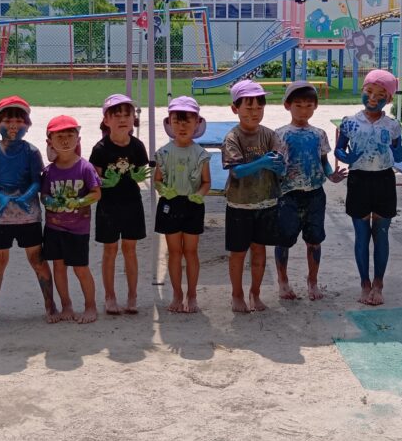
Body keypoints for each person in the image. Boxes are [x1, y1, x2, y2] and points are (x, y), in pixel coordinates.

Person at [335, 70, 402, 306]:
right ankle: (365, 283)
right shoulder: (350, 122)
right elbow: (339, 148)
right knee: (361, 235)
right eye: (369, 91)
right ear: (362, 90)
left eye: (381, 94)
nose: (373, 97)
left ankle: (379, 283)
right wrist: (345, 157)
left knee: (381, 233)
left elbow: (396, 153)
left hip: (384, 181)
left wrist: (399, 156)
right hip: (358, 180)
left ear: (388, 99)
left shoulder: (392, 125)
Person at [0, 96, 55, 325]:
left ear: (28, 125)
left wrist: (26, 196)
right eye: (7, 120)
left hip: (28, 215)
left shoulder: (31, 152)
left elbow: (37, 180)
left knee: (37, 259)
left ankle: (50, 304)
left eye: (19, 121)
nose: (13, 125)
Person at [274, 81, 346, 302]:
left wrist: (331, 175)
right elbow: (275, 165)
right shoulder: (280, 135)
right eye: (298, 105)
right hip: (288, 195)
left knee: (314, 240)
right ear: (287, 106)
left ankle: (312, 280)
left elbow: (323, 161)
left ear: (315, 106)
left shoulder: (319, 134)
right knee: (283, 239)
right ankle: (283, 280)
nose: (303, 111)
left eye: (308, 106)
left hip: (315, 194)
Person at [222, 80, 286, 313]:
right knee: (238, 253)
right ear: (235, 109)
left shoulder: (270, 135)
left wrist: (278, 164)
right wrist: (263, 162)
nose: (254, 113)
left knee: (259, 251)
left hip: (266, 202)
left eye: (259, 108)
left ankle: (255, 293)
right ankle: (236, 294)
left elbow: (280, 165)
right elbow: (237, 171)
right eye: (248, 108)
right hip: (239, 204)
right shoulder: (233, 137)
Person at [89, 94, 151, 315]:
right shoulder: (100, 148)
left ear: (134, 118)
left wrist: (139, 175)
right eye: (116, 115)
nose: (123, 119)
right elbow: (93, 180)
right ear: (106, 120)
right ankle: (110, 296)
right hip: (108, 206)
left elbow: (141, 172)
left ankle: (132, 295)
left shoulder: (137, 146)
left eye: (127, 114)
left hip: (132, 203)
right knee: (110, 250)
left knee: (130, 250)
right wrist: (105, 182)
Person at [41, 115, 102, 324]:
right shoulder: (49, 171)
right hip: (54, 228)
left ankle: (90, 306)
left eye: (70, 135)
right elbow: (44, 196)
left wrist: (79, 201)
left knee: (80, 268)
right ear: (50, 141)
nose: (65, 140)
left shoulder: (85, 167)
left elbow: (96, 193)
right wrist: (50, 202)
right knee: (59, 267)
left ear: (78, 139)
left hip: (78, 229)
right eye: (59, 136)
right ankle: (66, 305)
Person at [154, 96, 212, 313]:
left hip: (192, 205)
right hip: (170, 205)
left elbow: (206, 182)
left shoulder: (201, 154)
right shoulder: (163, 152)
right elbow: (157, 180)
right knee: (174, 251)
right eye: (176, 121)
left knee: (191, 251)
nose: (182, 126)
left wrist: (200, 194)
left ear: (197, 123)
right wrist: (163, 190)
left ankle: (192, 294)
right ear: (169, 123)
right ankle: (177, 293)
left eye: (187, 120)